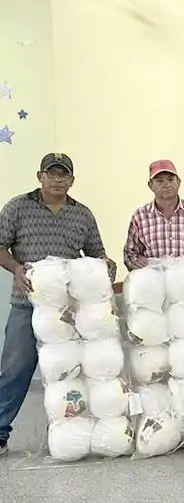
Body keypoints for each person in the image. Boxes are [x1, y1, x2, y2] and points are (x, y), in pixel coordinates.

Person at [0, 154, 115, 455]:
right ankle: (0, 432)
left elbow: (96, 253)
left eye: (64, 175)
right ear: (40, 176)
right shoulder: (17, 207)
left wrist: (105, 267)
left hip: (69, 311)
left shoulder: (82, 214)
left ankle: (74, 433)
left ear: (72, 180)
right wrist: (16, 268)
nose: (58, 179)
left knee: (72, 372)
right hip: (27, 304)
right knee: (14, 370)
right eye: (52, 174)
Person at [123, 160, 184, 278]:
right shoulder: (140, 216)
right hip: (154, 286)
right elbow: (129, 253)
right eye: (160, 181)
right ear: (150, 185)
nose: (166, 184)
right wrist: (137, 263)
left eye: (170, 179)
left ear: (178, 182)